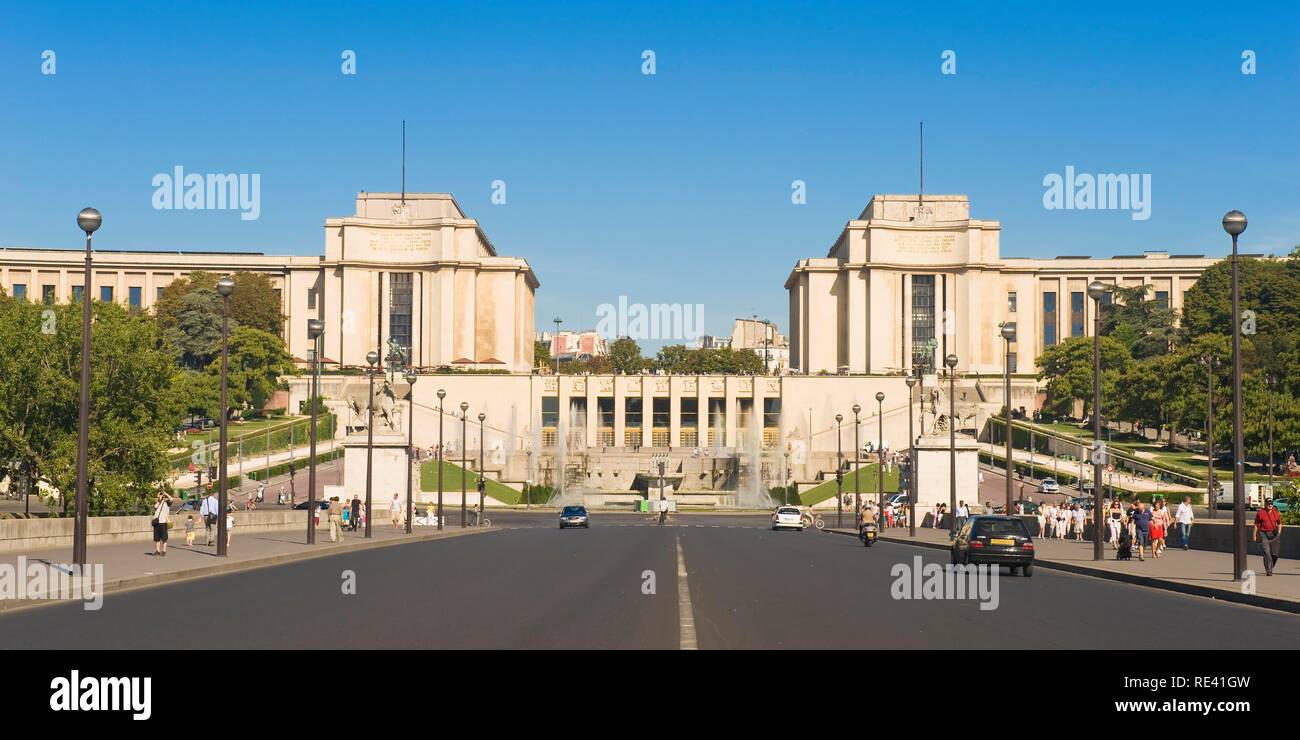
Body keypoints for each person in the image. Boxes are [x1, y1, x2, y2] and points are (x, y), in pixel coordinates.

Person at [1253, 499, 1284, 577]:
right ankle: (1269, 570)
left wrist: (1279, 531)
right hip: (1263, 534)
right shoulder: (1260, 513)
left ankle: (1270, 565)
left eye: (1271, 504)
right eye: (1268, 504)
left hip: (1274, 534)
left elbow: (1280, 523)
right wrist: (1254, 535)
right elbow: (1256, 524)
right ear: (1265, 504)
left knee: (1275, 554)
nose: (1270, 505)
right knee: (1267, 553)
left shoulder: (1276, 513)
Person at [151, 492, 172, 557]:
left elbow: (171, 499)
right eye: (159, 496)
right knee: (157, 538)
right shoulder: (158, 503)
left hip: (163, 522)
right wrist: (158, 499)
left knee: (164, 538)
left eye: (161, 496)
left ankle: (164, 551)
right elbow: (155, 507)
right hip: (157, 523)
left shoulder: (167, 503)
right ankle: (157, 551)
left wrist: (165, 493)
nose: (159, 497)